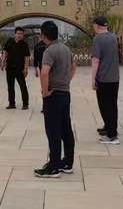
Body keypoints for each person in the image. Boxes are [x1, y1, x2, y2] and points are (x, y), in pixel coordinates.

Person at [34, 21, 76, 178]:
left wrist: (45, 92)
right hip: (65, 93)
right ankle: (67, 162)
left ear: (43, 35)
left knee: (53, 131)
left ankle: (53, 167)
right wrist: (66, 81)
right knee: (66, 129)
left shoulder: (49, 51)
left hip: (53, 95)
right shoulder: (65, 48)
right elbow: (74, 66)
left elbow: (44, 72)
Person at [90, 16, 120, 145]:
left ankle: (111, 135)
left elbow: (96, 60)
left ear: (96, 26)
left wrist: (93, 79)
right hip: (114, 78)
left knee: (105, 106)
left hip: (103, 78)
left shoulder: (98, 39)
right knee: (112, 105)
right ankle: (109, 127)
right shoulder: (113, 37)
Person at [1, 27, 30, 110]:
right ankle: (12, 103)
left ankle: (25, 104)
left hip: (19, 68)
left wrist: (26, 69)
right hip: (9, 67)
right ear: (15, 34)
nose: (20, 35)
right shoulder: (10, 41)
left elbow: (27, 57)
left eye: (21, 34)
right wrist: (3, 62)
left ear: (23, 35)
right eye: (18, 33)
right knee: (10, 86)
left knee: (22, 86)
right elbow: (5, 52)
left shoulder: (24, 44)